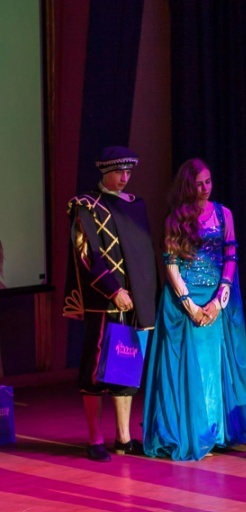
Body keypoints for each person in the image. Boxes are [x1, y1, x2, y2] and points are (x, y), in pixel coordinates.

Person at [142, 158, 246, 461]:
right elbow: (171, 265)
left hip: (218, 297)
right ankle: (193, 432)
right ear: (187, 186)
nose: (205, 188)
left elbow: (231, 257)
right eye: (198, 184)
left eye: (208, 182)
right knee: (188, 367)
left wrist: (218, 301)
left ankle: (216, 433)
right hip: (186, 299)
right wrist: (190, 306)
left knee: (215, 365)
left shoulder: (224, 214)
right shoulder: (174, 219)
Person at [62, 146, 158, 462]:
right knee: (95, 370)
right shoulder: (86, 206)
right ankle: (95, 439)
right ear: (105, 172)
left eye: (128, 172)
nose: (125, 178)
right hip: (103, 303)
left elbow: (143, 255)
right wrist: (113, 290)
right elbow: (88, 255)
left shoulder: (134, 205)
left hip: (132, 304)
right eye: (119, 172)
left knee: (126, 369)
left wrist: (141, 295)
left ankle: (124, 438)